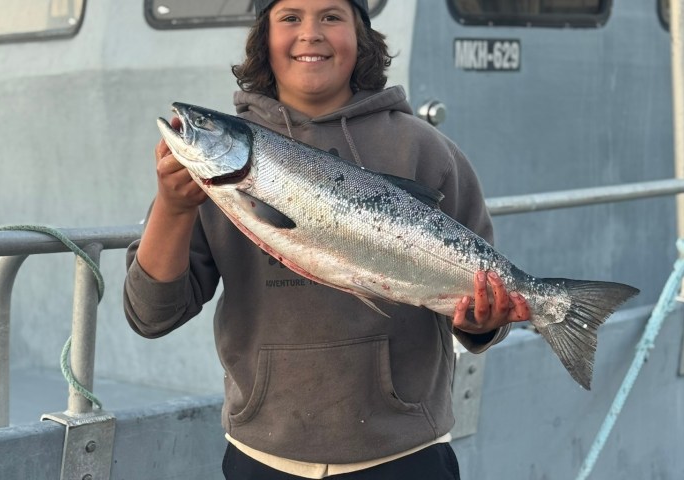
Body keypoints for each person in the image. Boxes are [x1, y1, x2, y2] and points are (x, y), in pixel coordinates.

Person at [123, 0, 530, 478]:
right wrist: (173, 207)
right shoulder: (205, 184)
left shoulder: (426, 150)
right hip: (264, 454)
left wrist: (484, 321)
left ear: (361, 36)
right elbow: (151, 315)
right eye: (290, 17)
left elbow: (483, 312)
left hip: (406, 453)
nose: (310, 33)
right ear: (264, 39)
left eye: (331, 16)